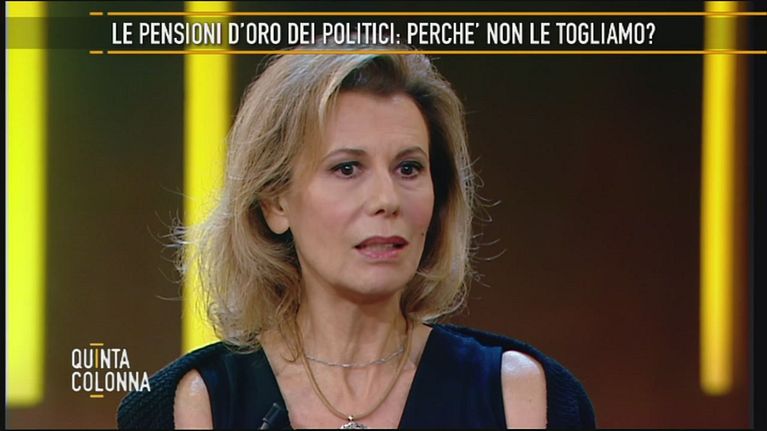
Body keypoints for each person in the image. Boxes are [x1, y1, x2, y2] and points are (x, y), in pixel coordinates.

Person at [117, 44, 595, 429]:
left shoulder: (521, 396)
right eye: (347, 168)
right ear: (275, 203)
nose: (387, 199)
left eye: (409, 168)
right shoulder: (192, 404)